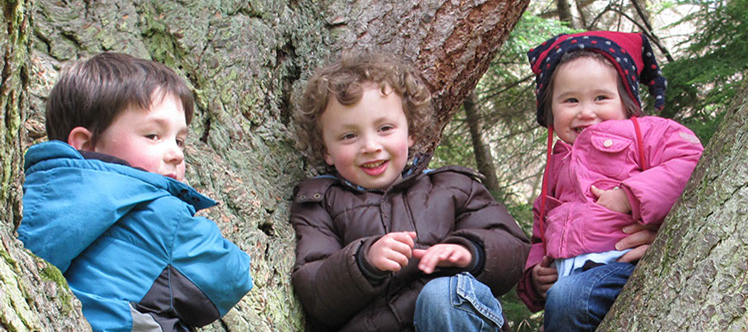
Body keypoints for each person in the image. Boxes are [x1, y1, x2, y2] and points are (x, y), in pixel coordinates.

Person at [289, 51, 530, 332]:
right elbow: (315, 292)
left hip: (450, 318)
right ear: (326, 150)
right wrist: (363, 262)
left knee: (442, 296)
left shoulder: (453, 187)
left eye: (385, 128)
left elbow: (514, 250)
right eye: (349, 136)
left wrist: (471, 252)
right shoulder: (320, 203)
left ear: (411, 131)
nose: (370, 146)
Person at [18, 52, 253, 332]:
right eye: (153, 136)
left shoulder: (28, 196)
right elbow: (230, 274)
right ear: (86, 144)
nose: (176, 154)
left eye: (179, 141)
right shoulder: (161, 213)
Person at [516, 31, 705, 331]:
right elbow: (541, 230)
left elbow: (691, 160)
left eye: (601, 98)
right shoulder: (557, 164)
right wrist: (534, 277)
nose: (586, 112)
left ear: (626, 100)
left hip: (621, 265)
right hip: (568, 278)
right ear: (550, 109)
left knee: (568, 298)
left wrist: (631, 195)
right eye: (570, 100)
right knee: (562, 299)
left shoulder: (646, 133)